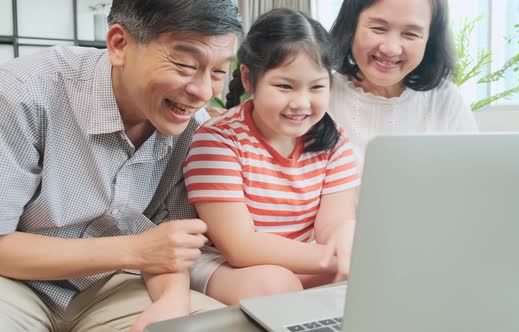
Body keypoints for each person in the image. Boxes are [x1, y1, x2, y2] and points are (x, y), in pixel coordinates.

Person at [0, 0, 242, 331]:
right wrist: (135, 249)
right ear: (120, 44)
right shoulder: (22, 93)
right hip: (13, 282)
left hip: (110, 287)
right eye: (185, 65)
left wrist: (173, 300)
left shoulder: (195, 130)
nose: (202, 92)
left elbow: (170, 247)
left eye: (217, 72)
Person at [182, 8, 361, 305]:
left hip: (302, 261)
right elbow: (240, 246)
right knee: (276, 284)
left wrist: (345, 239)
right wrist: (333, 258)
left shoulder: (334, 141)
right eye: (284, 86)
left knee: (366, 277)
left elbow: (335, 223)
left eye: (316, 87)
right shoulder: (218, 140)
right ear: (249, 79)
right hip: (226, 262)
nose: (301, 103)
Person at [329, 0, 478, 169]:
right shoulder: (320, 96)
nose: (391, 49)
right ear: (351, 26)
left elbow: (472, 177)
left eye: (411, 34)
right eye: (378, 28)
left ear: (430, 40)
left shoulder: (445, 99)